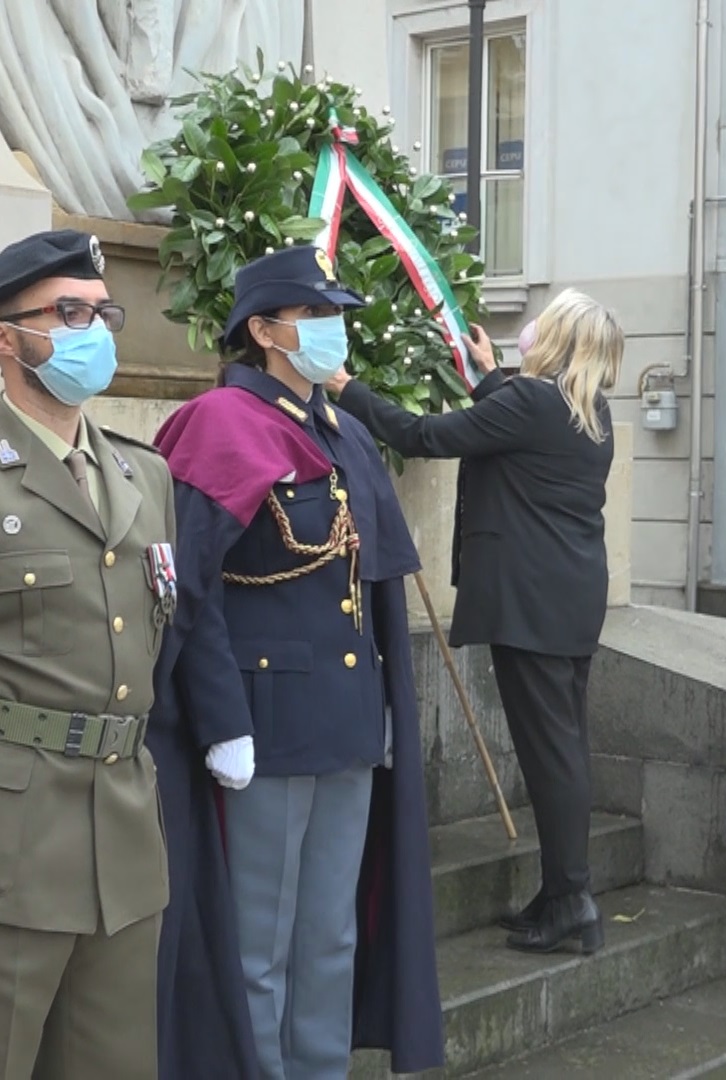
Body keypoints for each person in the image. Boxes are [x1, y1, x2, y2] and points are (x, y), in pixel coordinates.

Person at [150, 245, 443, 1079]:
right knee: (260, 948)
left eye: (334, 315)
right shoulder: (220, 425)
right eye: (316, 317)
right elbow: (190, 588)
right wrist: (221, 723)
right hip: (263, 733)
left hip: (346, 727)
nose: (333, 331)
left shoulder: (341, 431)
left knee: (329, 937)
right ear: (266, 331)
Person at [327, 288, 622, 954]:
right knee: (564, 748)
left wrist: (348, 387)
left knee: (551, 756)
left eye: (543, 320)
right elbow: (510, 423)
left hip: (532, 603)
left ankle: (571, 899)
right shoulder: (585, 409)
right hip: (569, 598)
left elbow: (422, 436)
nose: (532, 326)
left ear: (558, 338)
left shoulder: (532, 403)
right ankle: (562, 891)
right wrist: (488, 375)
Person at [0, 230, 173, 1079]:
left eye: (102, 312)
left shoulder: (145, 478)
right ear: (8, 336)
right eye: (66, 312)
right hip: (15, 838)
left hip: (125, 833)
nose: (91, 329)